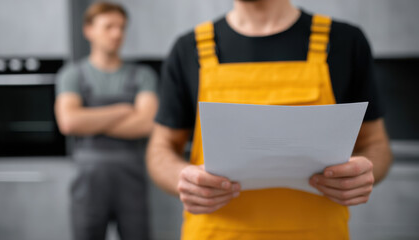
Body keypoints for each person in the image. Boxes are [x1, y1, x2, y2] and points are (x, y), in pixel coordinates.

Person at [146, 0, 392, 239]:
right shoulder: (187, 49)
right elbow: (161, 148)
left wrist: (362, 173)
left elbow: (376, 144)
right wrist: (182, 177)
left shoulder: (345, 42)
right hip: (216, 233)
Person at [54, 2, 158, 240]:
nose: (117, 34)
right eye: (109, 27)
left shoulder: (143, 76)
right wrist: (123, 110)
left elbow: (147, 123)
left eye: (121, 27)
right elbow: (69, 122)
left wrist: (90, 118)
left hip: (131, 176)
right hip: (88, 179)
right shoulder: (72, 75)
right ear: (88, 30)